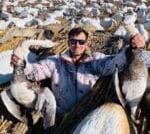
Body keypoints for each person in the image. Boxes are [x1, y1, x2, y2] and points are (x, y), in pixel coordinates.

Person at [11, 27, 149, 115]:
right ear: (68, 43)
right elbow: (34, 72)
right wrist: (21, 64)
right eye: (73, 41)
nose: (77, 45)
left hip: (87, 114)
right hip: (62, 115)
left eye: (81, 42)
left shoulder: (95, 60)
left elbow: (114, 63)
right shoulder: (55, 62)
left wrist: (132, 48)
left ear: (87, 44)